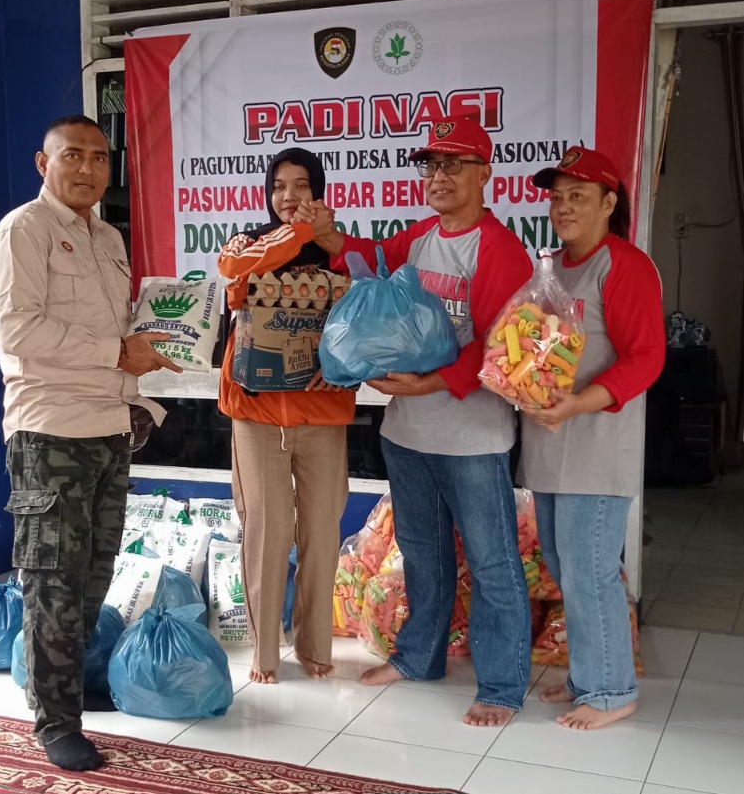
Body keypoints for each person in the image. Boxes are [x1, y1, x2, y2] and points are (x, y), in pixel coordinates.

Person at [301, 117, 533, 726]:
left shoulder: (501, 252)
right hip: (406, 433)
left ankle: (503, 684)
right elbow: (370, 264)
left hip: (473, 439)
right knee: (422, 551)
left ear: (486, 174)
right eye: (431, 165)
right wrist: (329, 237)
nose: (439, 177)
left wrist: (432, 380)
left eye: (455, 164)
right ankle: (418, 657)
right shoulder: (420, 237)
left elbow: (501, 346)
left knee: (491, 562)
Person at [0, 115, 180, 771]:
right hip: (49, 431)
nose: (89, 168)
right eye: (73, 155)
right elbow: (18, 330)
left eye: (100, 157)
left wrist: (141, 392)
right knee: (54, 582)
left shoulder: (108, 239)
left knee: (94, 576)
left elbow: (122, 333)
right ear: (44, 163)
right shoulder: (23, 230)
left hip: (106, 427)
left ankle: (64, 693)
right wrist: (115, 352)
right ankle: (55, 720)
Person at [517, 146, 665, 730]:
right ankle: (587, 674)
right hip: (552, 445)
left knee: (590, 569)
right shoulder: (551, 267)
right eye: (557, 196)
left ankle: (610, 691)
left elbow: (647, 357)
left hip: (598, 446)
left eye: (579, 194)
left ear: (610, 203)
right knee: (565, 564)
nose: (564, 205)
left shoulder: (623, 264)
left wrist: (578, 401)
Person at [218, 147, 355, 685]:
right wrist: (297, 234)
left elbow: (370, 303)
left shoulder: (339, 252)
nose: (290, 196)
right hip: (256, 414)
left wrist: (322, 240)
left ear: (319, 191)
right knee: (268, 532)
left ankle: (315, 646)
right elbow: (233, 276)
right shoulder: (247, 242)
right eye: (279, 186)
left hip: (322, 412)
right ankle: (265, 651)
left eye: (302, 186)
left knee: (321, 533)